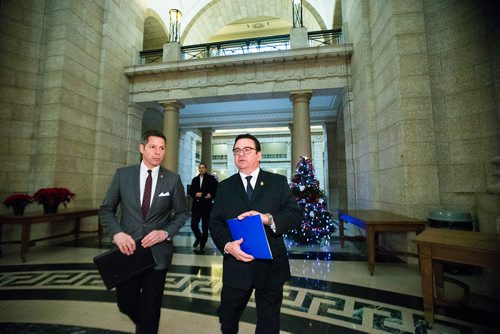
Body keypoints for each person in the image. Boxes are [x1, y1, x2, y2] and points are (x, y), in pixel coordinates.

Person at [209, 133, 302, 334]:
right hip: (236, 264)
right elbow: (215, 222)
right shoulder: (225, 187)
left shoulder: (277, 182)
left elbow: (294, 214)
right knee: (228, 318)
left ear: (259, 155)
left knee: (268, 324)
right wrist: (227, 245)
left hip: (270, 266)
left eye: (247, 150)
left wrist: (267, 219)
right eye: (236, 151)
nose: (241, 154)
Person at [99, 130, 189, 334]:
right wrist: (117, 234)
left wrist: (164, 233)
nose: (158, 152)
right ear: (142, 148)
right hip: (128, 252)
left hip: (157, 254)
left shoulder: (172, 180)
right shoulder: (123, 175)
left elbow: (183, 213)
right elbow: (106, 210)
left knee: (151, 308)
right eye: (153, 147)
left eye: (162, 148)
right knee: (125, 303)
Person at [189, 162, 218, 253]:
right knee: (194, 224)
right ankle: (199, 238)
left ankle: (202, 245)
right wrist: (195, 194)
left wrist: (211, 195)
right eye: (200, 168)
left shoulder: (211, 179)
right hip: (196, 206)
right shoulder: (195, 179)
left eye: (203, 168)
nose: (201, 169)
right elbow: (191, 191)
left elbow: (217, 189)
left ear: (205, 169)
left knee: (205, 227)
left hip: (206, 206)